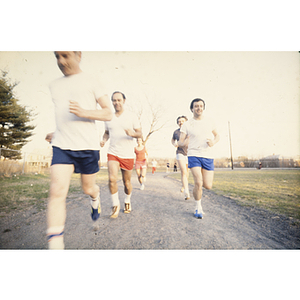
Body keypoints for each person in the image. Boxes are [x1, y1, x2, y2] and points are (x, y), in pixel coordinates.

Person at [45, 51, 112, 249]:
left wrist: (84, 112)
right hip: (62, 145)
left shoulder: (92, 80)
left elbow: (108, 113)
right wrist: (55, 132)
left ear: (78, 55)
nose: (60, 61)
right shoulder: (54, 85)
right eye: (57, 56)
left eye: (65, 55)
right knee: (57, 191)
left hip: (88, 146)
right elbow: (63, 116)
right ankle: (56, 247)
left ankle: (95, 197)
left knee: (87, 188)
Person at [100, 91, 142, 218]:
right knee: (112, 178)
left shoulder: (132, 116)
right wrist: (103, 140)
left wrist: (132, 134)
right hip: (113, 152)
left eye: (119, 100)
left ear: (124, 101)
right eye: (114, 100)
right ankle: (115, 205)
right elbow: (107, 132)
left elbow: (139, 134)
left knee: (126, 183)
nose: (116, 102)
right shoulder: (109, 117)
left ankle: (127, 201)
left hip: (127, 154)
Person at [178, 98, 220, 219]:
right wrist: (185, 141)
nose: (199, 108)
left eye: (201, 106)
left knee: (207, 185)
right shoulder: (187, 124)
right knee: (198, 182)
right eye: (196, 106)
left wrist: (213, 142)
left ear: (203, 108)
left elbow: (217, 136)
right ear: (192, 109)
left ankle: (198, 199)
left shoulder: (210, 121)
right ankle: (198, 207)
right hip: (193, 154)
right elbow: (180, 142)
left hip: (207, 155)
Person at [171, 116, 190, 200]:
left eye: (182, 121)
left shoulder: (190, 131)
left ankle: (183, 185)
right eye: (179, 121)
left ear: (186, 122)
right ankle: (187, 192)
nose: (181, 122)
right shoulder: (176, 132)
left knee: (187, 172)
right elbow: (172, 140)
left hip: (189, 153)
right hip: (180, 153)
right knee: (183, 171)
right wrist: (174, 144)